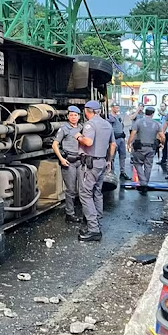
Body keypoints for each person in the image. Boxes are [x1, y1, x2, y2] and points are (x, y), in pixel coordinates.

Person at [74, 100, 116, 242]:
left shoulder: (89, 124)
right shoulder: (107, 124)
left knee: (85, 194)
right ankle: (97, 221)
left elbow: (88, 142)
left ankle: (93, 229)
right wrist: (109, 160)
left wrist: (78, 136)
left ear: (87, 111)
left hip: (90, 164)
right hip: (102, 162)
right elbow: (113, 144)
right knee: (97, 192)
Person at [52, 106, 82, 223]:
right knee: (70, 189)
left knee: (83, 188)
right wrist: (61, 159)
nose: (73, 117)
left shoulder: (82, 127)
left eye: (75, 115)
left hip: (80, 160)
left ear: (79, 117)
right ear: (68, 116)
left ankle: (84, 213)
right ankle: (70, 214)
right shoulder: (64, 128)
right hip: (69, 161)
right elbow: (55, 145)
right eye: (71, 115)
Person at [127, 107, 165, 194]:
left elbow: (133, 134)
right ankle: (145, 183)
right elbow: (162, 136)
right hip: (151, 148)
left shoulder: (138, 122)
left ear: (145, 113)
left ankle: (143, 182)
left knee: (137, 163)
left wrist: (129, 143)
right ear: (153, 113)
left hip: (139, 147)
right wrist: (162, 143)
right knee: (148, 165)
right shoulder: (157, 123)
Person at [107, 103, 131, 181]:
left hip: (121, 139)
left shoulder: (118, 117)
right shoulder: (110, 118)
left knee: (123, 156)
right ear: (112, 108)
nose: (118, 109)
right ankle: (111, 171)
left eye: (118, 107)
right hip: (114, 139)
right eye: (116, 107)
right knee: (112, 156)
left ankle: (122, 172)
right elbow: (109, 129)